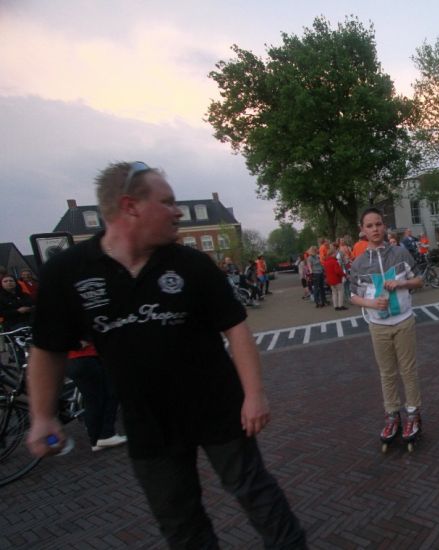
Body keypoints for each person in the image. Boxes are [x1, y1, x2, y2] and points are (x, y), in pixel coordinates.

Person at [26, 161, 304, 548]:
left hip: (217, 407)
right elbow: (48, 348)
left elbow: (236, 327)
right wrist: (42, 415)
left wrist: (254, 395)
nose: (178, 212)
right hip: (147, 423)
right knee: (179, 520)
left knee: (256, 493)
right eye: (168, 202)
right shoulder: (69, 272)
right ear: (131, 206)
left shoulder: (190, 265)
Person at [349, 208, 424, 450]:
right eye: (369, 225)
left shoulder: (400, 253)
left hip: (403, 320)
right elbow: (353, 296)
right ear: (363, 230)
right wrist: (371, 303)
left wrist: (402, 283)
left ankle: (412, 413)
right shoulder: (359, 263)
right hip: (378, 326)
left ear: (384, 226)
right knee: (387, 373)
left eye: (378, 224)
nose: (375, 229)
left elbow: (419, 280)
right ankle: (392, 415)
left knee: (408, 370)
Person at [65, 341, 127, 451]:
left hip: (72, 360)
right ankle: (106, 435)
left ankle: (96, 440)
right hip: (86, 357)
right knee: (109, 394)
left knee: (92, 400)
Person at [323, 242, 347, 311]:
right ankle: (340, 305)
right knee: (340, 292)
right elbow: (338, 271)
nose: (336, 254)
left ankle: (335, 306)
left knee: (334, 293)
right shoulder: (334, 262)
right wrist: (344, 275)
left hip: (330, 280)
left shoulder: (325, 262)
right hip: (337, 279)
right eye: (335, 253)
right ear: (332, 254)